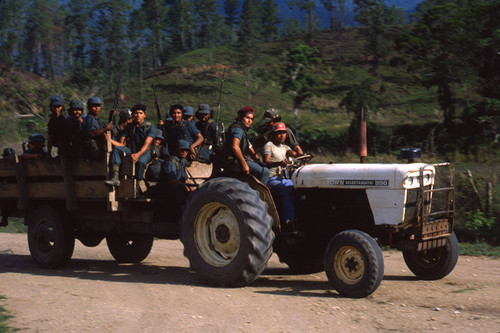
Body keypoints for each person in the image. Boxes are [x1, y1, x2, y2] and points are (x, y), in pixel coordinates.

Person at [105, 104, 156, 187]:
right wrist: (110, 140)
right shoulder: (129, 126)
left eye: (140, 113)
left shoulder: (149, 127)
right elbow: (121, 144)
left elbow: (147, 144)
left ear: (145, 115)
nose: (138, 115)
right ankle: (115, 176)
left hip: (145, 151)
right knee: (117, 149)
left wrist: (138, 155)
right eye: (136, 113)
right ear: (132, 114)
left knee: (141, 162)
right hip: (132, 150)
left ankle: (138, 185)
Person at [262, 122, 299, 232]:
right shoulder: (269, 145)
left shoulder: (285, 147)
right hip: (272, 178)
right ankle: (288, 221)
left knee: (298, 187)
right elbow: (266, 160)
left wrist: (305, 155)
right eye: (279, 133)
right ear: (274, 134)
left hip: (283, 179)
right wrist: (279, 163)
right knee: (286, 189)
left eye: (284, 133)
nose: (282, 135)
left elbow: (295, 154)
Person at [226, 106, 269, 184]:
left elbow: (249, 147)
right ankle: (260, 195)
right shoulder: (238, 129)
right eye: (247, 118)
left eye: (251, 119)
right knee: (265, 172)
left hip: (238, 160)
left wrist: (257, 161)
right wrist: (244, 164)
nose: (249, 121)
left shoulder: (242, 129)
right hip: (235, 162)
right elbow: (235, 147)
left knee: (260, 166)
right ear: (240, 117)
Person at [161, 139, 193, 207]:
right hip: (169, 189)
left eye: (186, 150)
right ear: (177, 150)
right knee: (180, 188)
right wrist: (185, 187)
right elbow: (172, 180)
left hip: (178, 187)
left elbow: (186, 178)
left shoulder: (183, 161)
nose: (184, 152)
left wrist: (192, 188)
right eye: (182, 150)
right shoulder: (171, 161)